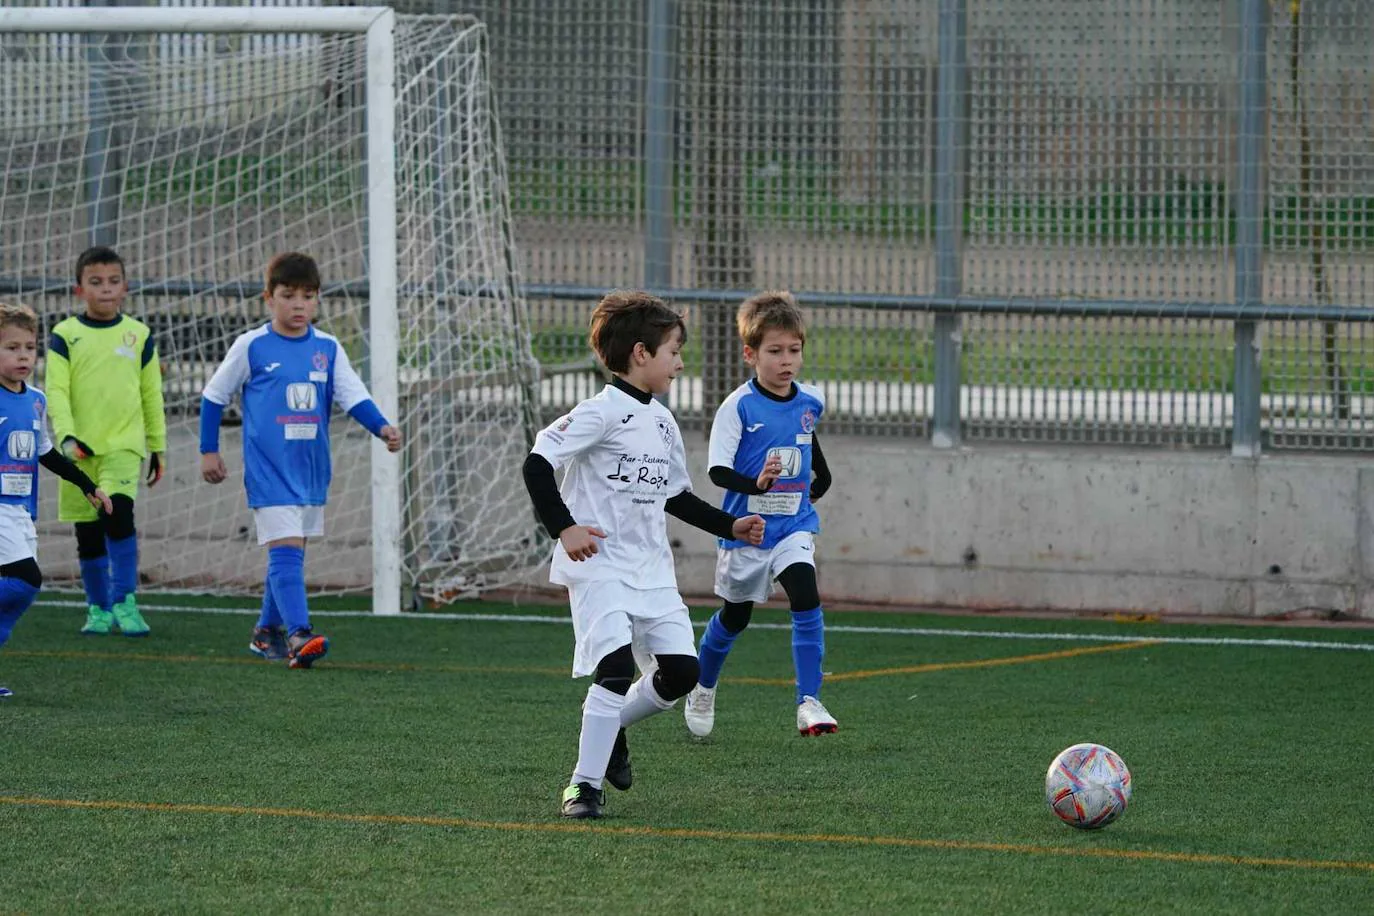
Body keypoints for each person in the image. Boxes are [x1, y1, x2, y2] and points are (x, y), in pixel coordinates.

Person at [521, 290, 765, 819]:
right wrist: (564, 529)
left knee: (681, 672)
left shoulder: (662, 422)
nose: (680, 363)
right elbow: (537, 463)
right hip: (599, 565)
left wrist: (731, 524)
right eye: (674, 351)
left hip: (651, 569)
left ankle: (611, 733)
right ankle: (583, 786)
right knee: (611, 667)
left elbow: (674, 496)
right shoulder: (600, 413)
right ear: (640, 354)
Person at [198, 252, 402, 668]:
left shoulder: (327, 348)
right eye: (288, 295)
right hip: (268, 471)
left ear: (318, 301)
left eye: (308, 296)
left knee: (290, 553)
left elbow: (353, 395)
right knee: (287, 551)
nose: (298, 305)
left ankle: (265, 631)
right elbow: (214, 396)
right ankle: (298, 634)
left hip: (310, 472)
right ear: (267, 299)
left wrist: (382, 427)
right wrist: (208, 449)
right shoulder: (251, 346)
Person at [683, 290, 836, 738]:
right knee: (735, 617)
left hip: (794, 525)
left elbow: (809, 440)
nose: (786, 360)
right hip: (747, 532)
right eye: (775, 351)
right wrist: (756, 485)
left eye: (794, 350)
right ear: (751, 354)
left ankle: (808, 701)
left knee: (806, 596)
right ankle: (703, 685)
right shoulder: (738, 407)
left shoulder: (810, 400)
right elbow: (717, 471)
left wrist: (821, 478)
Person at [46, 246, 166, 637]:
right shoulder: (65, 335)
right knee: (89, 532)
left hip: (123, 446)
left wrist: (157, 445)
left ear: (126, 287)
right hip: (77, 451)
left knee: (119, 516)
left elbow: (152, 394)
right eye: (96, 282)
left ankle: (125, 602)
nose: (106, 290)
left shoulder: (140, 335)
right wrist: (65, 436)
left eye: (113, 282)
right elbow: (57, 391)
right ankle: (98, 609)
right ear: (79, 289)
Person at [0, 302, 113, 696]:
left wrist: (87, 484)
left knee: (17, 586)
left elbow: (46, 452)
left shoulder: (35, 399)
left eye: (29, 348)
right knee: (26, 581)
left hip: (19, 511)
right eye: (11, 347)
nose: (23, 356)